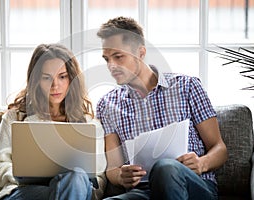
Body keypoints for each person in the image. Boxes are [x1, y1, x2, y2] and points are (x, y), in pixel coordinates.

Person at [96, 16, 228, 199]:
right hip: (144, 191)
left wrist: (201, 163)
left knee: (166, 168)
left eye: (118, 57)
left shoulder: (187, 86)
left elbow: (219, 148)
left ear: (141, 52)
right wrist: (120, 176)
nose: (111, 65)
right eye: (107, 59)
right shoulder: (107, 104)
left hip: (191, 185)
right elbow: (113, 168)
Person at [0, 43, 107, 200]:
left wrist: (68, 184)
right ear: (36, 80)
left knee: (75, 178)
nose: (55, 85)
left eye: (62, 76)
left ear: (72, 78)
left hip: (74, 190)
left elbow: (98, 177)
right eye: (46, 78)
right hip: (25, 192)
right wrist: (20, 175)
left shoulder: (89, 124)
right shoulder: (16, 117)